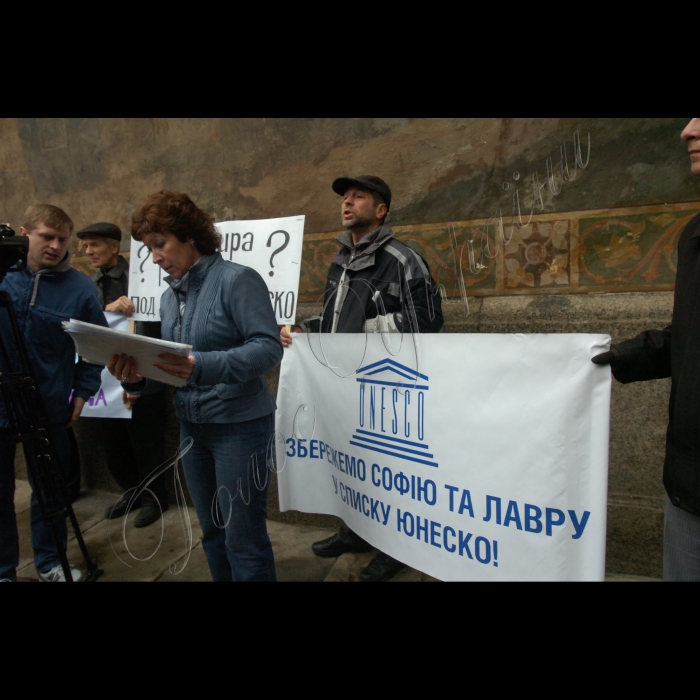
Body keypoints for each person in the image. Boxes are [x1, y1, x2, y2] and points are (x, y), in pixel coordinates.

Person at [108, 191, 283, 582]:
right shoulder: (169, 301)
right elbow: (173, 370)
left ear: (189, 236)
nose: (155, 257)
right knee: (211, 532)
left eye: (160, 244)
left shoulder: (237, 280)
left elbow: (268, 349)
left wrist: (201, 365)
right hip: (192, 431)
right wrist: (138, 377)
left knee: (243, 538)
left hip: (240, 426)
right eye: (149, 248)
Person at [281, 175, 443, 581]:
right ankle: (356, 531)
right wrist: (306, 329)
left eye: (358, 197)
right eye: (344, 198)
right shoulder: (342, 260)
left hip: (388, 385)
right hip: (344, 383)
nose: (347, 203)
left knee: (392, 469)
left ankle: (396, 547)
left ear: (381, 209)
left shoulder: (403, 258)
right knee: (354, 463)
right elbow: (338, 320)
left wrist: (363, 332)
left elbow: (429, 320)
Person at [592, 118, 700, 581]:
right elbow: (688, 338)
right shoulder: (694, 235)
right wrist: (617, 356)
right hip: (689, 484)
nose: (687, 131)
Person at [0, 204, 107, 582]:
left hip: (47, 403)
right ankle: (3, 569)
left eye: (63, 240)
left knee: (51, 491)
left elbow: (95, 346)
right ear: (25, 232)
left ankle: (49, 563)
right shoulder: (3, 276)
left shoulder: (79, 288)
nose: (56, 246)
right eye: (47, 236)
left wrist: (83, 390)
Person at [77, 222, 169, 528]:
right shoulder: (88, 284)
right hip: (104, 379)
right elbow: (80, 323)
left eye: (95, 245)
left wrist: (142, 379)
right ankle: (131, 490)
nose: (88, 252)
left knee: (146, 440)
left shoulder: (141, 278)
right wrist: (107, 309)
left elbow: (152, 325)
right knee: (113, 443)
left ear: (114, 247)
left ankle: (153, 498)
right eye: (86, 246)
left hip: (141, 375)